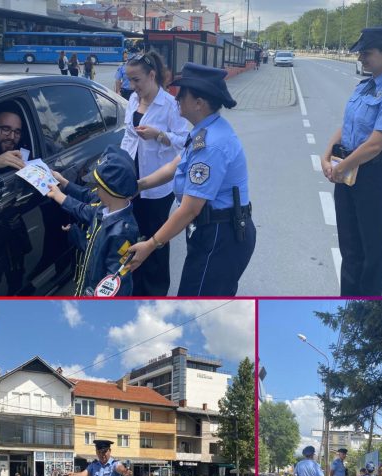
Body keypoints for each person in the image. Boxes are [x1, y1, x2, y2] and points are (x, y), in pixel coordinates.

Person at [126, 63, 256, 296]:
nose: (176, 99)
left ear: (199, 103)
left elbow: (189, 210)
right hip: (212, 231)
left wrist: (151, 244)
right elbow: (173, 166)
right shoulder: (203, 131)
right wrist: (138, 187)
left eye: (182, 95)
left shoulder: (211, 145)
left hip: (221, 236)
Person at [320, 26, 382, 296]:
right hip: (347, 169)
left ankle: (371, 303)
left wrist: (340, 168)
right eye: (360, 53)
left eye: (367, 53)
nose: (361, 59)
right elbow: (347, 125)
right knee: (350, 247)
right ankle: (349, 299)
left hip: (374, 173)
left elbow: (376, 144)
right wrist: (327, 154)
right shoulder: (364, 87)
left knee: (373, 250)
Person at [120, 51, 190, 296]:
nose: (132, 86)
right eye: (129, 80)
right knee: (131, 234)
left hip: (157, 186)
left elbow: (185, 142)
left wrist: (159, 135)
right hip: (131, 180)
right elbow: (127, 136)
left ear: (152, 75)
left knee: (155, 238)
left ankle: (155, 291)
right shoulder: (131, 100)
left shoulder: (170, 105)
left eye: (137, 80)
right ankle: (135, 286)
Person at [48, 146, 139, 297]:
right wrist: (74, 231)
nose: (95, 190)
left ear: (110, 191)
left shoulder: (123, 231)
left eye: (98, 186)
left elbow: (117, 279)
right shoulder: (103, 210)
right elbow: (82, 211)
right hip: (87, 287)